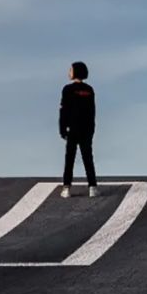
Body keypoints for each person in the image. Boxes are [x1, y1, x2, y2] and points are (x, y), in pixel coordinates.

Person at [59, 61, 98, 198]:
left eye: (70, 70)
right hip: (86, 128)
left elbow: (64, 111)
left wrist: (62, 129)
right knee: (88, 157)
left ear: (75, 72)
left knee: (70, 158)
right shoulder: (89, 90)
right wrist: (92, 129)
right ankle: (92, 186)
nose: (69, 72)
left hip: (72, 128)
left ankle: (66, 187)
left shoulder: (67, 89)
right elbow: (92, 111)